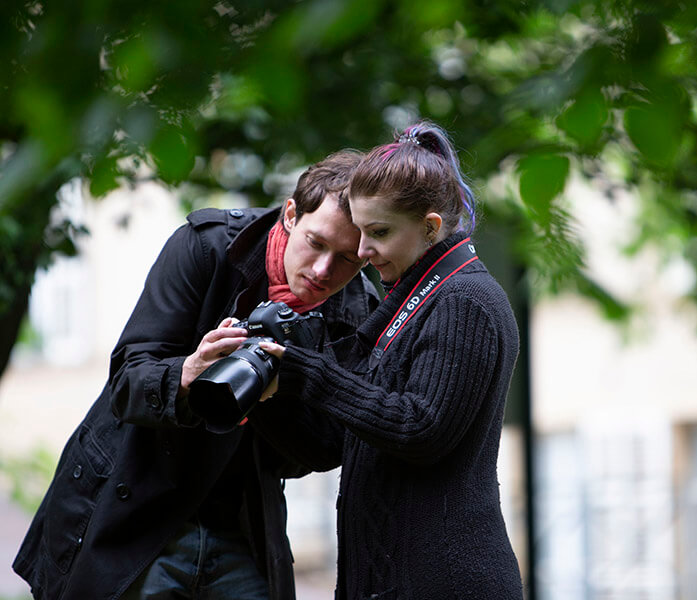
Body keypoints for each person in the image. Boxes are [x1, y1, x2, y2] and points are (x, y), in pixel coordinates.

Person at [13, 149, 380, 600]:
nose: (324, 271)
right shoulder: (208, 245)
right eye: (317, 243)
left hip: (244, 522)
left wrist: (278, 387)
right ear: (289, 214)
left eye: (347, 258)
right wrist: (187, 374)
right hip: (135, 505)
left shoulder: (357, 309)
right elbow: (127, 382)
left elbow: (321, 450)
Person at [261, 122, 524, 599]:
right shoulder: (411, 298)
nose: (362, 251)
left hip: (444, 583)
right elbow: (351, 418)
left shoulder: (465, 300)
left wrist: (304, 372)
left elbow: (419, 427)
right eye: (360, 232)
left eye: (378, 233)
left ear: (430, 227)